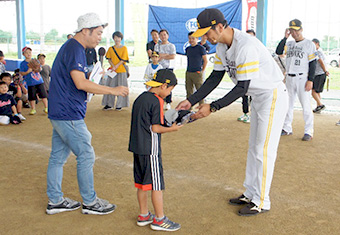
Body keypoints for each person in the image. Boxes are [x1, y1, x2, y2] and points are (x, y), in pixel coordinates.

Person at [176, 8, 288, 216]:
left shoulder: (246, 46)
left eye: (207, 33)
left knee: (263, 150)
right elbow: (214, 78)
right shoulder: (221, 46)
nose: (206, 38)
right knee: (254, 147)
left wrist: (213, 107)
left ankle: (262, 201)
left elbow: (241, 88)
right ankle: (251, 193)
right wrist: (190, 100)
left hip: (272, 96)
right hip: (259, 97)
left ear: (220, 26)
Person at [46, 12, 129, 215]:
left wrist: (94, 75)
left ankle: (55, 200)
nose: (100, 37)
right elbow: (80, 83)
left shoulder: (72, 48)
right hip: (68, 113)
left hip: (60, 111)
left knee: (57, 157)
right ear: (86, 31)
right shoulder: (75, 48)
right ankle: (90, 202)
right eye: (98, 32)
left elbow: (78, 78)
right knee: (86, 154)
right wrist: (113, 90)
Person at [129, 69, 182, 232]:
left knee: (141, 183)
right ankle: (159, 219)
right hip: (150, 149)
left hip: (137, 147)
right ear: (165, 85)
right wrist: (172, 129)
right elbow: (155, 128)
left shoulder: (140, 98)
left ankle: (144, 215)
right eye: (170, 90)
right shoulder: (156, 101)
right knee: (156, 185)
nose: (168, 94)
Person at [276, 19, 317, 141]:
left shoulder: (309, 44)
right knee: (287, 104)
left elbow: (313, 63)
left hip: (302, 77)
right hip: (289, 77)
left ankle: (308, 131)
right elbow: (278, 51)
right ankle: (287, 128)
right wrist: (285, 38)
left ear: (301, 29)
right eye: (292, 30)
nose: (294, 33)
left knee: (306, 105)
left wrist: (310, 80)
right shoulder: (289, 44)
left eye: (296, 30)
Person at [102, 31, 129, 111]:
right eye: (115, 37)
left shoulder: (124, 48)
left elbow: (123, 59)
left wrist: (116, 66)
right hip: (113, 71)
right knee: (110, 87)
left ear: (121, 39)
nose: (117, 39)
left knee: (122, 87)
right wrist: (113, 66)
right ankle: (109, 104)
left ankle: (120, 105)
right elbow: (108, 58)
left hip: (121, 70)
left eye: (119, 37)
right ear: (113, 38)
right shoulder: (111, 49)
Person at [19, 46, 48, 115]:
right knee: (32, 97)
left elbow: (40, 69)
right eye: (26, 53)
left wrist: (37, 68)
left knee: (43, 95)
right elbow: (21, 73)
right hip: (30, 82)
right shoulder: (23, 63)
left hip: (39, 81)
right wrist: (27, 72)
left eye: (29, 52)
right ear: (23, 54)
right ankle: (33, 109)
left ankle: (46, 107)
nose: (28, 54)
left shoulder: (35, 60)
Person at [237, 30, 257, 123]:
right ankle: (245, 113)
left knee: (253, 97)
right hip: (244, 77)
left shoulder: (257, 49)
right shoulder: (241, 49)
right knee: (244, 96)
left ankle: (253, 115)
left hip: (254, 78)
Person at [154, 29, 176, 110]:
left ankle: (168, 102)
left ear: (167, 36)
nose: (163, 37)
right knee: (158, 85)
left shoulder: (171, 46)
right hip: (159, 68)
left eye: (164, 35)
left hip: (169, 68)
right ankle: (159, 102)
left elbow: (172, 56)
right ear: (159, 36)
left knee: (168, 86)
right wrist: (165, 55)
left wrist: (162, 56)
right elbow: (156, 56)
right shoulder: (157, 45)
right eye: (161, 35)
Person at [185, 31, 207, 106]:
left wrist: (202, 71)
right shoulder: (188, 49)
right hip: (188, 72)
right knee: (189, 91)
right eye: (190, 38)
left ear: (197, 38)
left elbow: (205, 61)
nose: (191, 40)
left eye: (193, 38)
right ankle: (189, 107)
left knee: (200, 91)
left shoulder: (201, 48)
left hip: (197, 72)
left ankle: (201, 106)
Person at [311, 38, 329, 113]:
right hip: (320, 73)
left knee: (313, 91)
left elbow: (321, 62)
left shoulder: (317, 51)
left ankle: (320, 104)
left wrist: (325, 71)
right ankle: (318, 105)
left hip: (319, 73)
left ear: (317, 44)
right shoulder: (319, 51)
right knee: (317, 91)